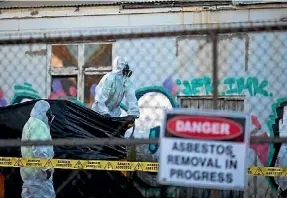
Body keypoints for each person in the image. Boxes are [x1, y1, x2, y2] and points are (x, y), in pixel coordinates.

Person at [20, 100, 55, 198]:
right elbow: (40, 149)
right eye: (48, 112)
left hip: (28, 174)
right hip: (39, 176)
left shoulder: (29, 124)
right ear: (44, 112)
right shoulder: (39, 125)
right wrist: (46, 168)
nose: (50, 115)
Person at [92, 56, 140, 122]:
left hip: (114, 114)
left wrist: (133, 113)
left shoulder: (126, 80)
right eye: (122, 65)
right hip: (98, 113)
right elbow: (101, 97)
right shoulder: (109, 78)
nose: (125, 67)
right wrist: (104, 113)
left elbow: (131, 96)